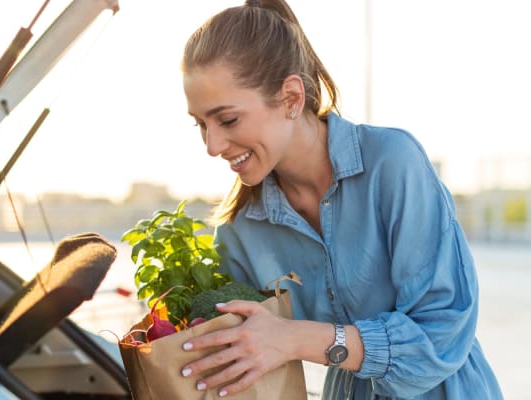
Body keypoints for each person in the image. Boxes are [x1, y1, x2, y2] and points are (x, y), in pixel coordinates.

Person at [176, 0, 503, 398]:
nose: (212, 146)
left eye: (227, 120)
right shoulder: (240, 229)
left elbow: (438, 339)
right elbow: (248, 356)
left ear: (292, 98)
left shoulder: (391, 163)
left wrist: (295, 338)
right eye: (200, 125)